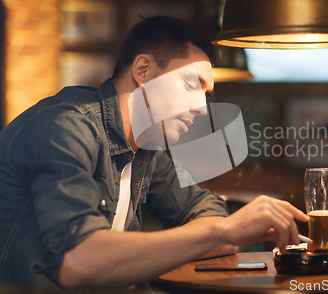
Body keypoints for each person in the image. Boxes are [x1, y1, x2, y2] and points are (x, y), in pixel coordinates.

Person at [0, 16, 309, 291]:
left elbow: (205, 208)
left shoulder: (146, 148)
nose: (202, 107)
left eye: (206, 93)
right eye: (191, 84)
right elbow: (77, 262)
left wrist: (223, 230)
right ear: (143, 70)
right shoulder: (66, 126)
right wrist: (226, 230)